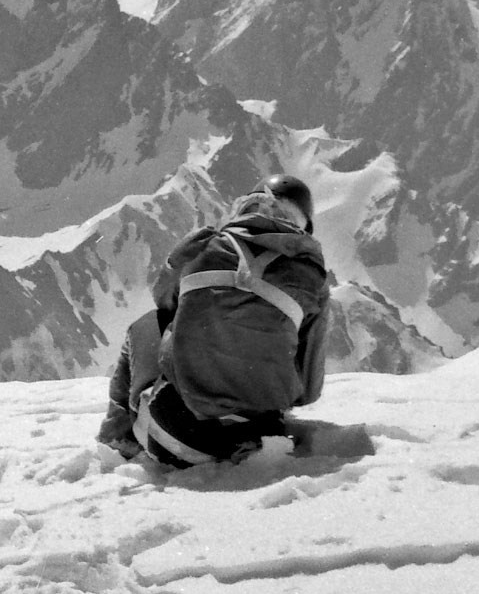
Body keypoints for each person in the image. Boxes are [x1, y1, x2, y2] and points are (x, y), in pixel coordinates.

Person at [98, 174, 331, 467]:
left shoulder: (203, 245)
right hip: (262, 437)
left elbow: (164, 301)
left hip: (176, 435)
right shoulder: (313, 276)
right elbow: (309, 389)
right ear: (302, 227)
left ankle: (118, 438)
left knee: (147, 324)